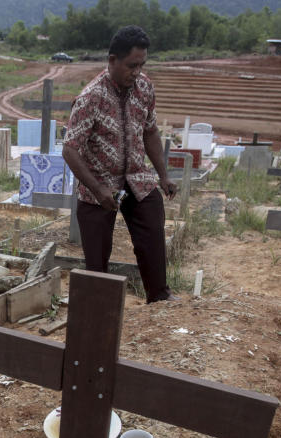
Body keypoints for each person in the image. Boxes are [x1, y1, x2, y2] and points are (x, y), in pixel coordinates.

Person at [62, 25, 179, 303]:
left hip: (138, 179)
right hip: (99, 186)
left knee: (152, 233)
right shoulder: (91, 97)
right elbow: (70, 150)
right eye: (131, 66)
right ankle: (99, 310)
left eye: (141, 65)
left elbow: (150, 131)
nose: (136, 72)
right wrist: (98, 189)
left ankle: (159, 297)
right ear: (112, 60)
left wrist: (163, 175)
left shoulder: (145, 88)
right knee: (97, 255)